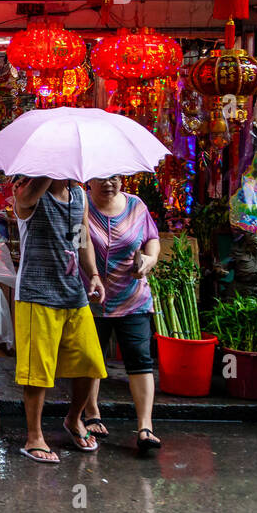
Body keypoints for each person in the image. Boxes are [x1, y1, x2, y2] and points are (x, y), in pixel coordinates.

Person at [12, 175, 108, 464]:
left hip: (72, 292)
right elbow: (25, 202)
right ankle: (34, 437)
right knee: (37, 372)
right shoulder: (30, 191)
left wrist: (92, 274)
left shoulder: (79, 196)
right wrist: (49, 171)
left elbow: (82, 237)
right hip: (36, 293)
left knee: (90, 363)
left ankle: (74, 418)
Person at [83, 175, 162, 455]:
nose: (109, 184)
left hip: (132, 297)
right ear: (88, 181)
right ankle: (91, 413)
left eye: (115, 178)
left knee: (140, 360)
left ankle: (145, 426)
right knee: (92, 359)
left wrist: (149, 260)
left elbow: (152, 239)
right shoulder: (81, 206)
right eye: (102, 179)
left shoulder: (136, 206)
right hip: (92, 297)